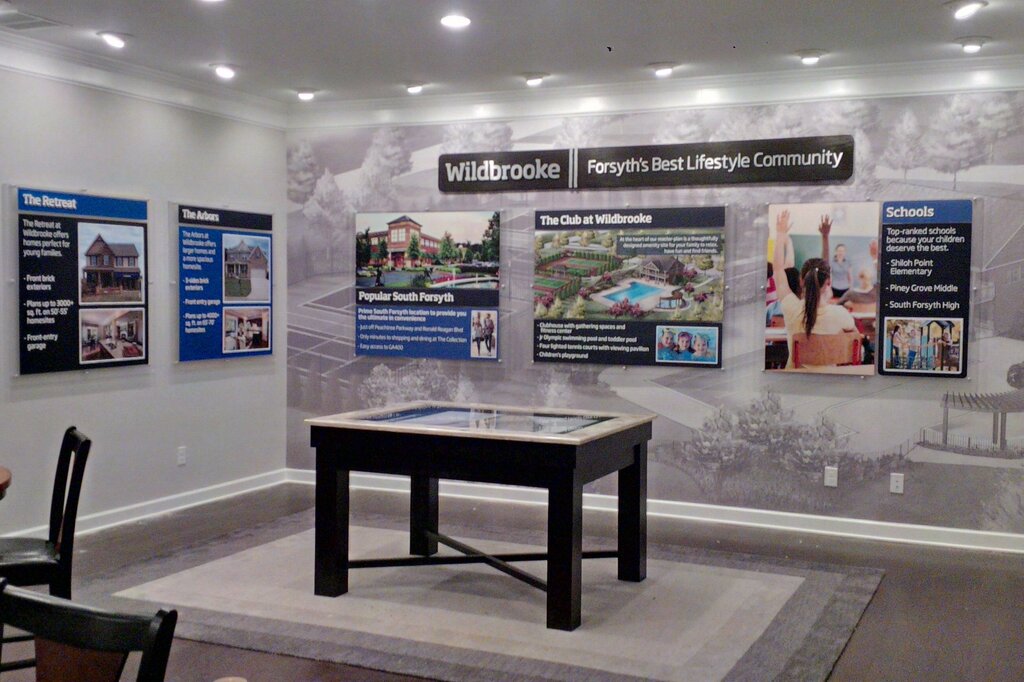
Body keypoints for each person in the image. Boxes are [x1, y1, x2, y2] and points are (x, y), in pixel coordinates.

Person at [772, 210, 856, 369]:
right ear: (829, 282)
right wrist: (825, 238)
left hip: (794, 381)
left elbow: (778, 270)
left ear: (801, 281)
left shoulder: (792, 309)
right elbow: (854, 336)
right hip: (830, 382)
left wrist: (781, 234)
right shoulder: (841, 315)